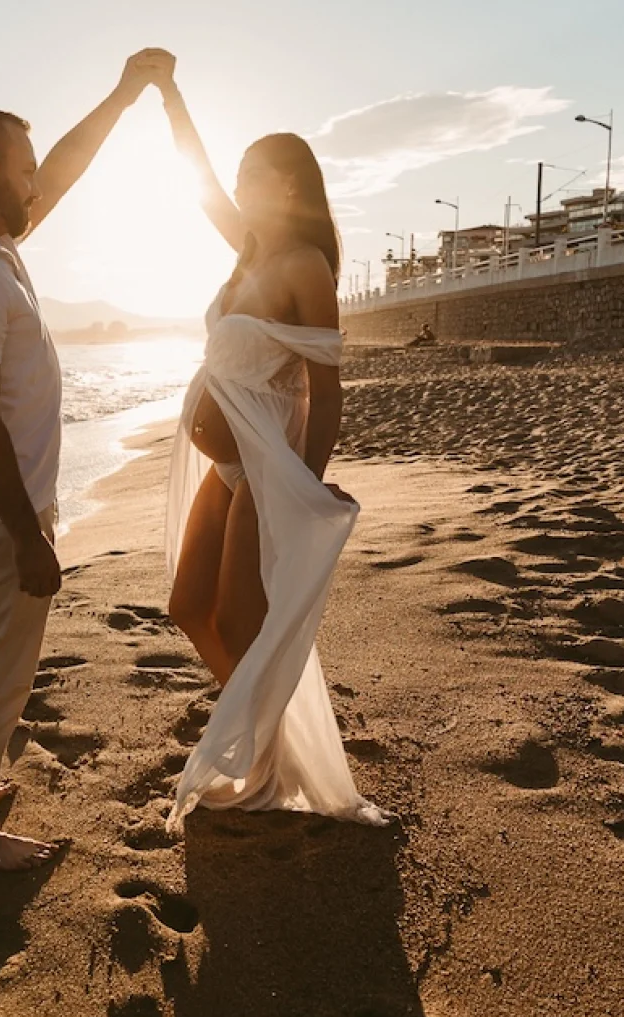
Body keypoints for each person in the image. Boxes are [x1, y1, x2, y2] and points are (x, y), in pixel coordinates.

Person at [0, 50, 172, 871]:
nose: (35, 187)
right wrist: (29, 535)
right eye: (20, 172)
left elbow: (60, 172)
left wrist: (123, 95)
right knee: (0, 669)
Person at [153, 56, 393, 829]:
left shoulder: (304, 266)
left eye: (254, 174)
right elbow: (201, 189)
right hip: (224, 465)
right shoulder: (248, 251)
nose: (240, 185)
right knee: (186, 606)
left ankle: (260, 754)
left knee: (232, 619)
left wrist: (302, 482)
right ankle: (264, 737)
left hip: (262, 469)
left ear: (288, 185)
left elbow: (326, 389)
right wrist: (169, 96)